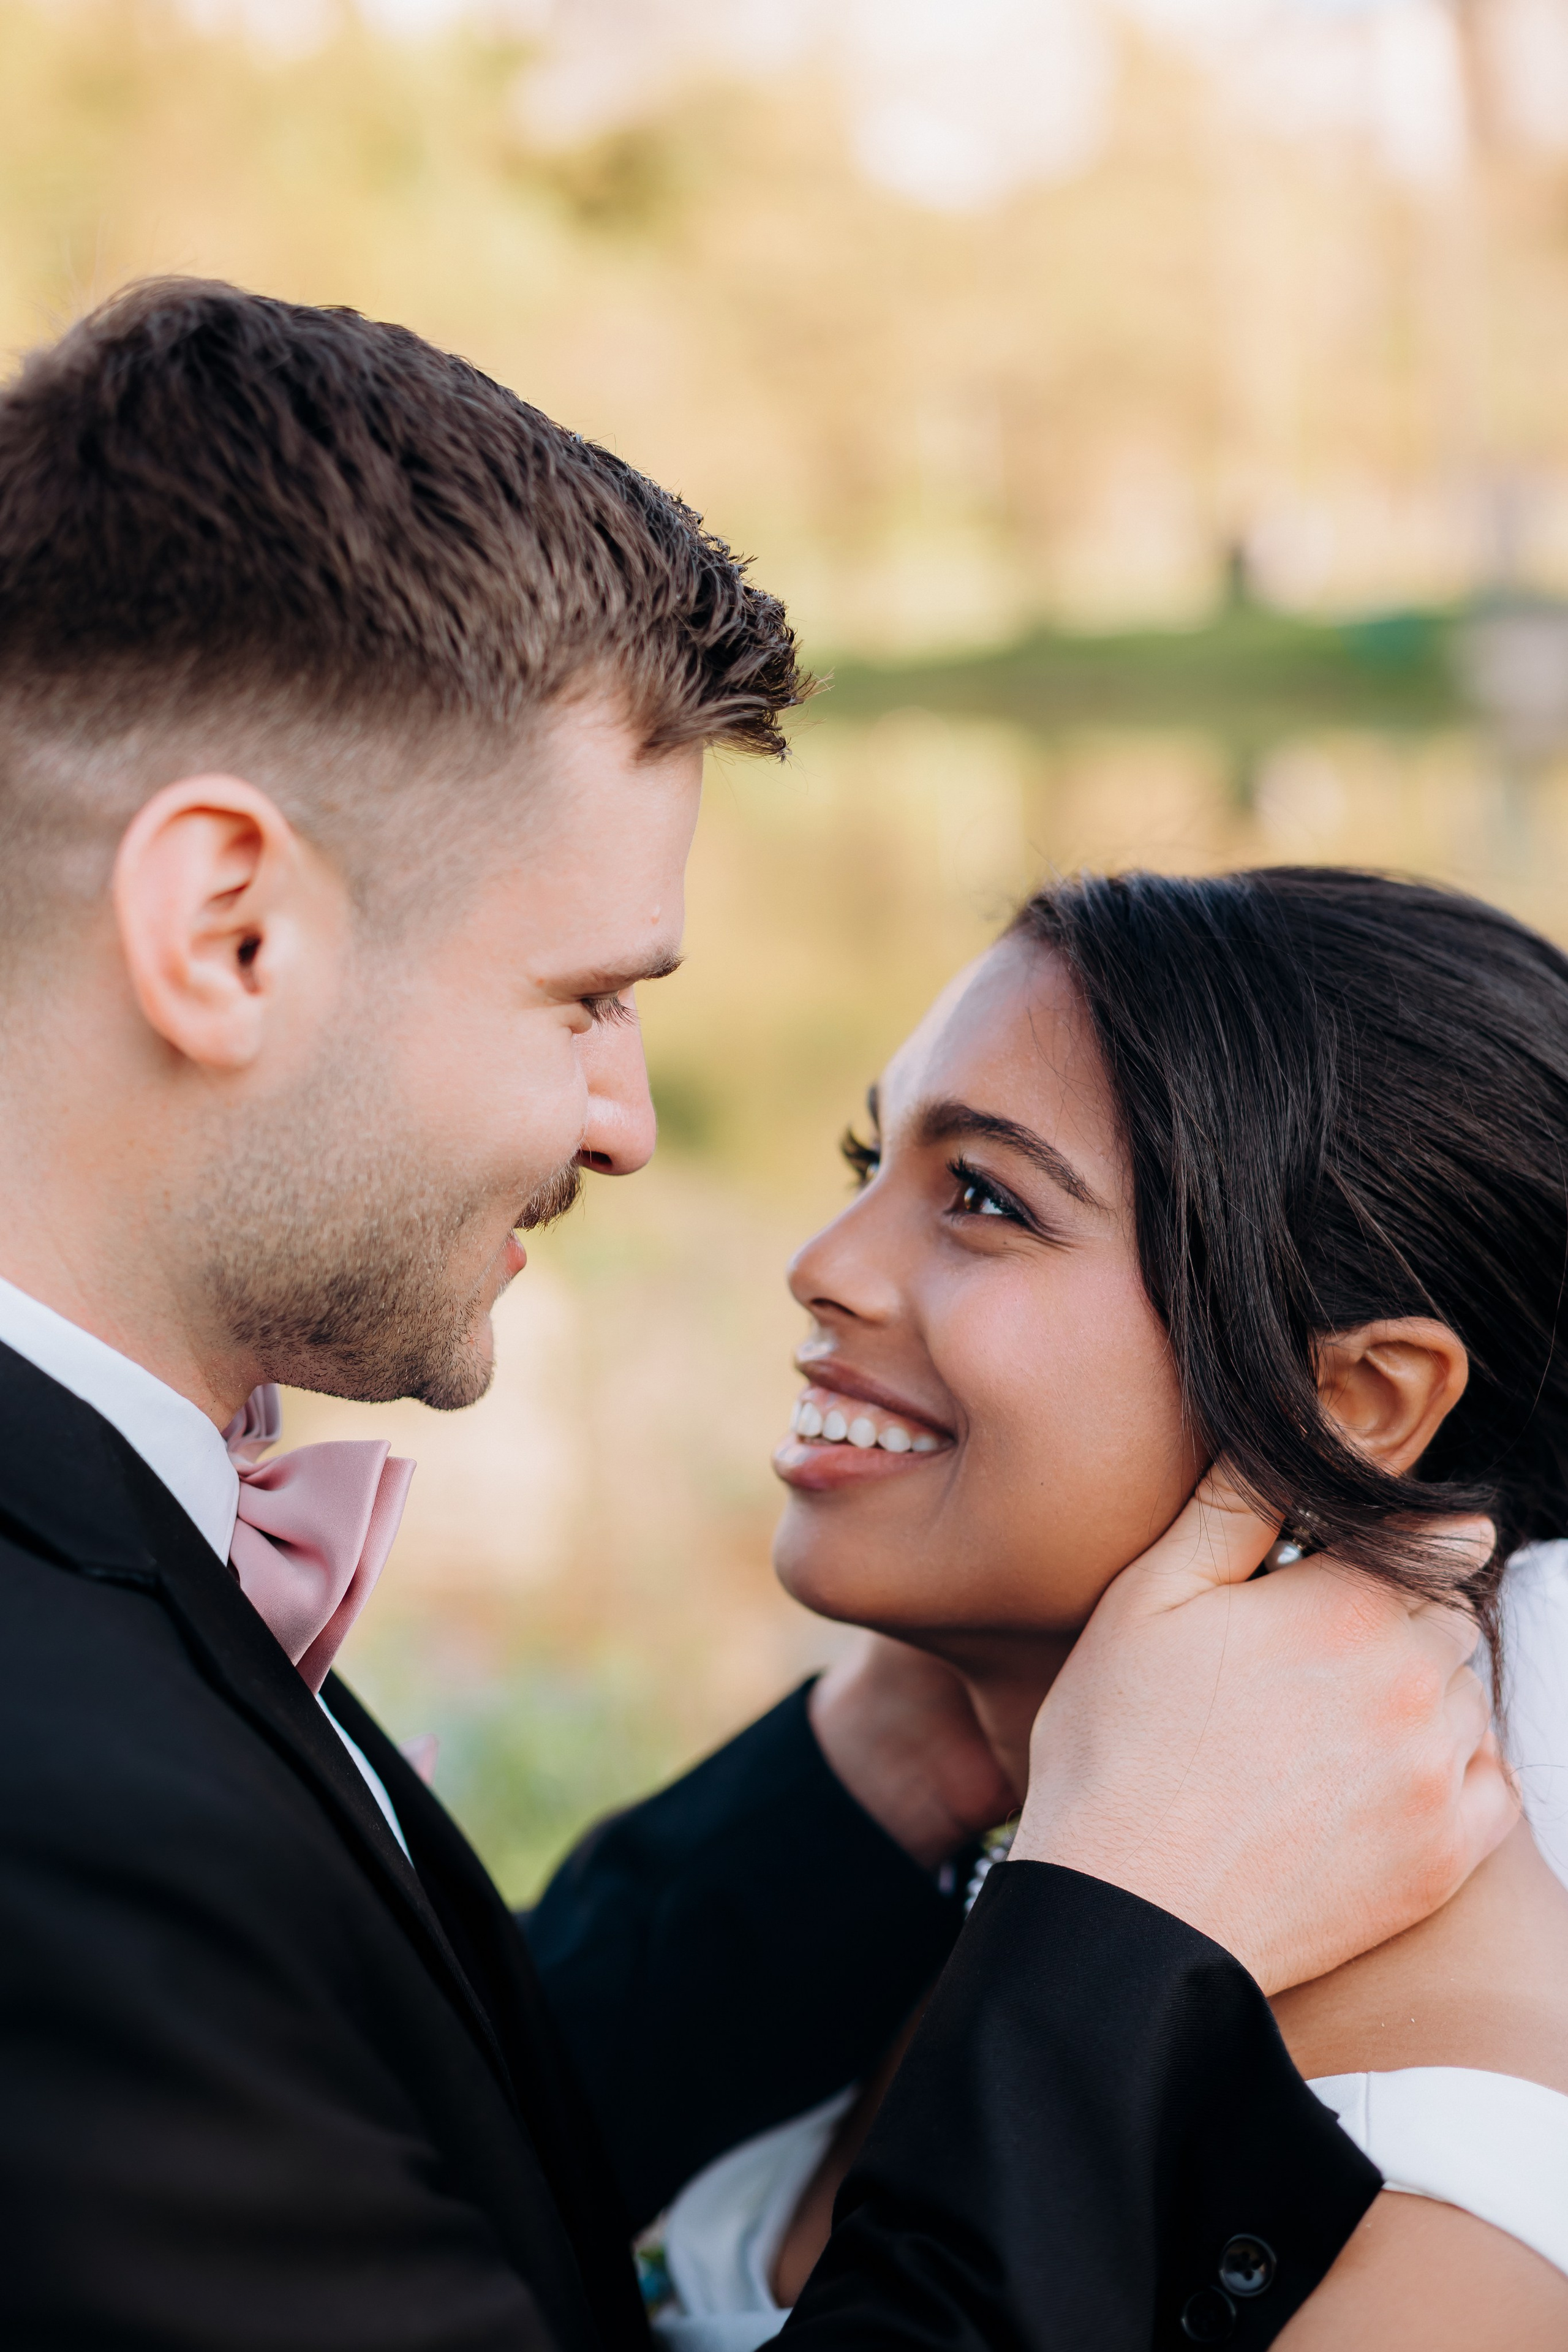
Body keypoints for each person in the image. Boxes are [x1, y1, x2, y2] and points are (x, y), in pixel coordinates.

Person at [0, 282, 1509, 2351]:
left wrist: (898, 1766)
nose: (625, 1124)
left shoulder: (96, 1567)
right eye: (586, 997)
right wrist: (1121, 1925)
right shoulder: (48, 1774)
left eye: (980, 1194)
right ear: (226, 933)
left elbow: (405, 2172)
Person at [646, 867, 1568, 2351]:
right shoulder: (985, 1865)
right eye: (863, 1160)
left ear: (1351, 1405)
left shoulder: (1443, 2244)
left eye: (983, 1199)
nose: (820, 1268)